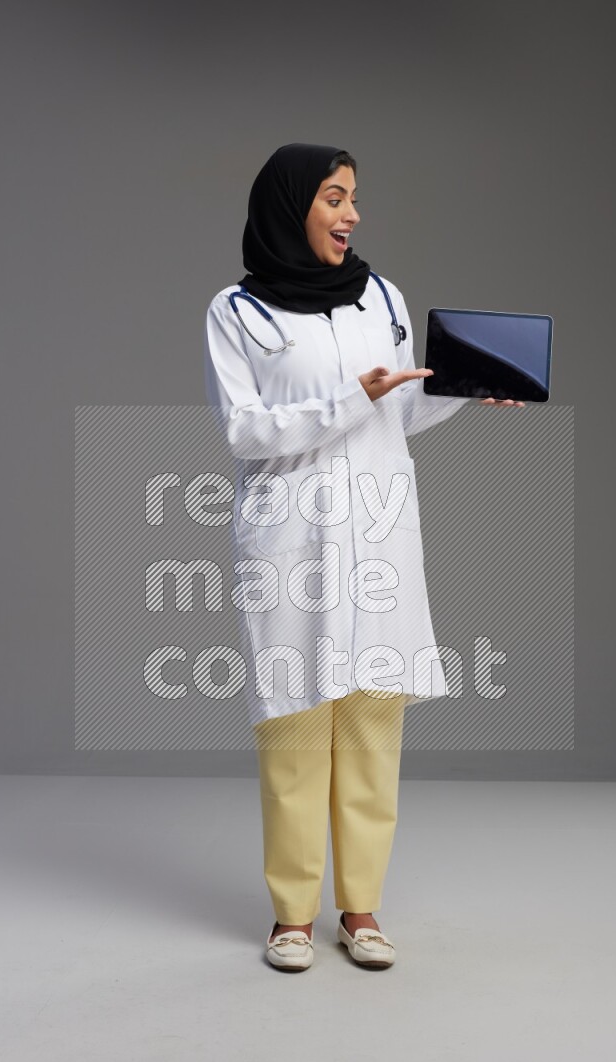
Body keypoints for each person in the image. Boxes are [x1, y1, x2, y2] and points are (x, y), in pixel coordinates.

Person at [204, 143, 524, 971]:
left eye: (353, 199)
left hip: (378, 535)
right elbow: (243, 430)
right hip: (290, 541)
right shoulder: (237, 313)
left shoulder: (382, 297)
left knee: (375, 724)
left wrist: (456, 387)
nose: (352, 215)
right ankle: (291, 917)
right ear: (290, 207)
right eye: (335, 198)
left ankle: (362, 910)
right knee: (298, 726)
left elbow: (397, 416)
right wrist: (355, 399)